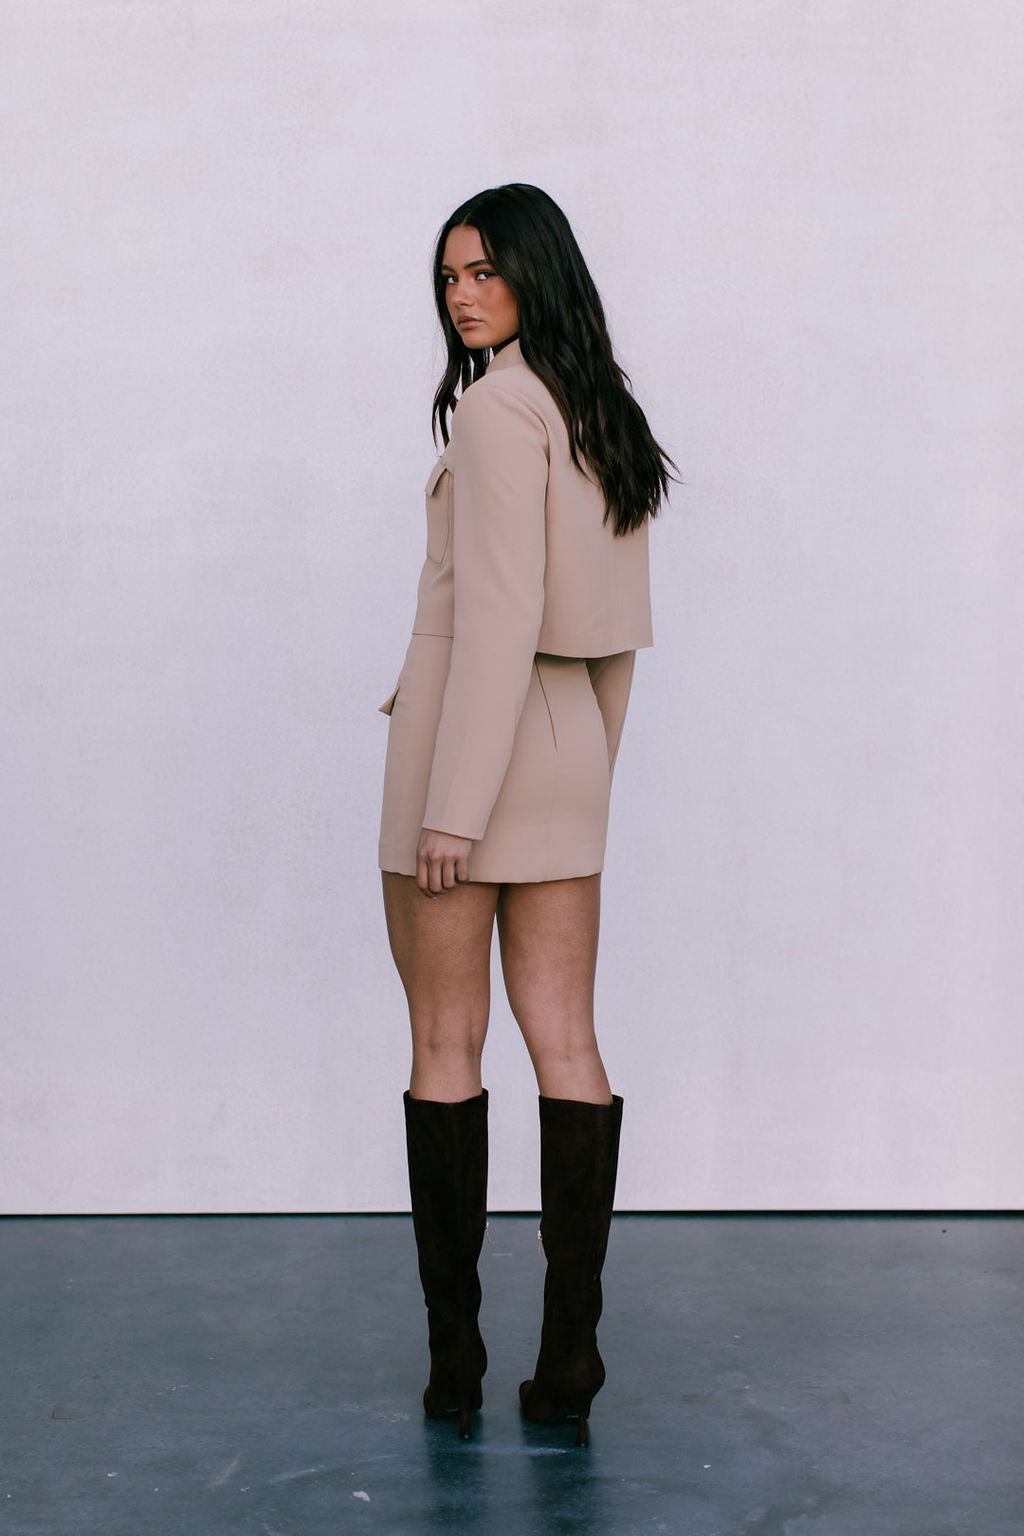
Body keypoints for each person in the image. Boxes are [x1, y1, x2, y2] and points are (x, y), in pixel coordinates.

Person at [378, 183, 675, 1444]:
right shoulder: (598, 410)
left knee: (447, 1046)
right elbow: (619, 640)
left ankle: (456, 1362)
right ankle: (569, 1364)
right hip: (560, 752)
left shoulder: (500, 407)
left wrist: (455, 806)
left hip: (465, 757)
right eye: (449, 276)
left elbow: (495, 619)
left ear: (535, 275)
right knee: (570, 1041)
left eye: (486, 272)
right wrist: (583, 769)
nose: (462, 295)